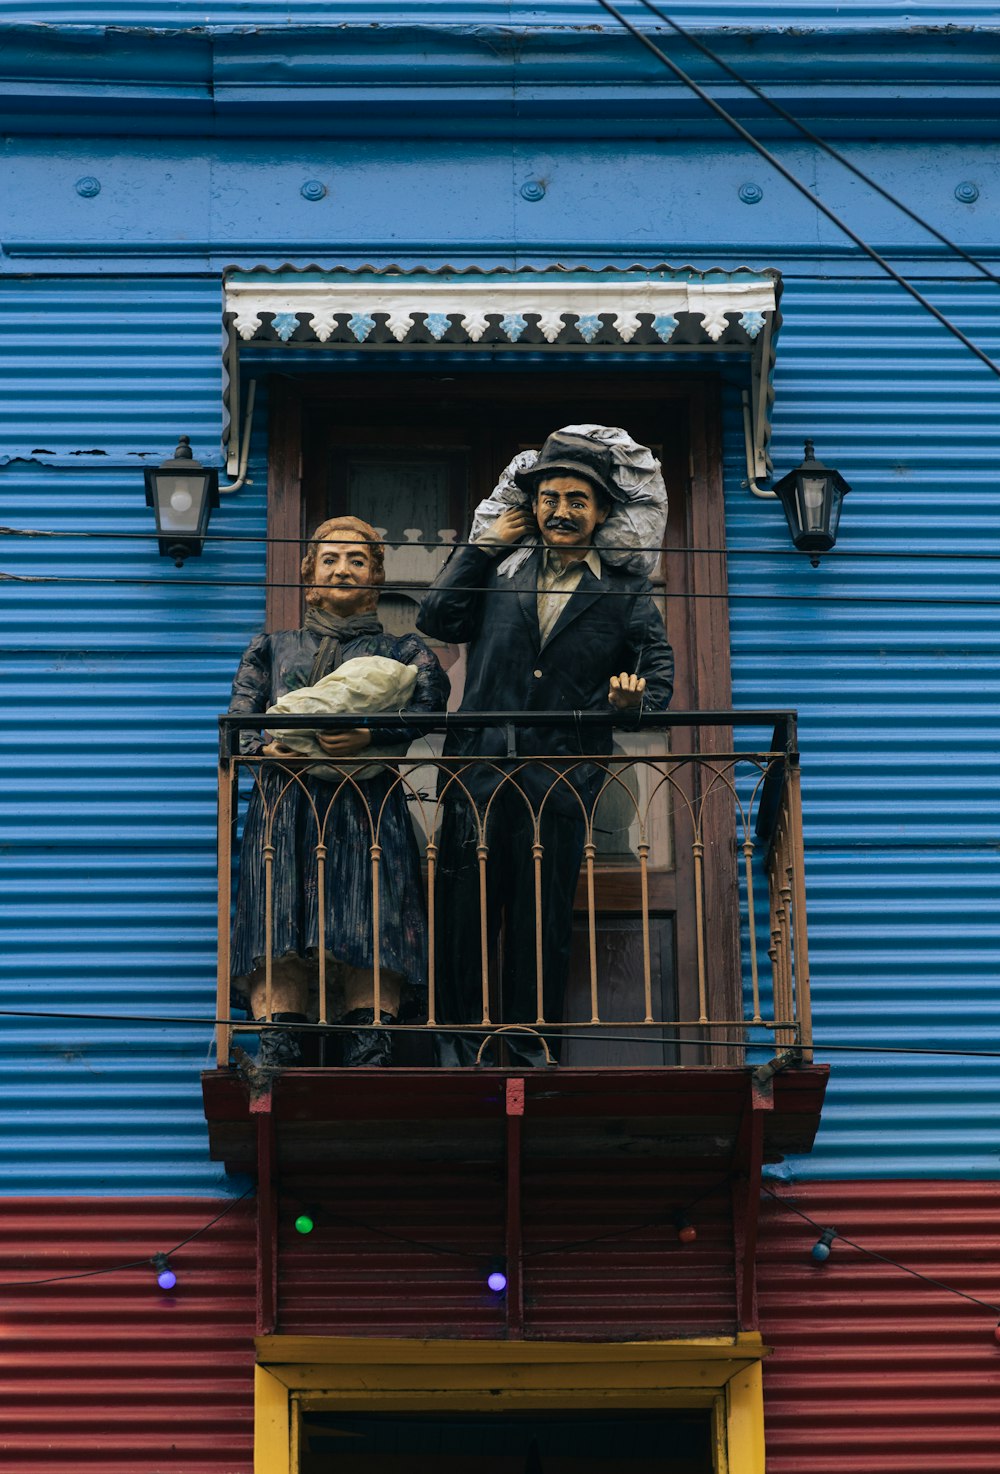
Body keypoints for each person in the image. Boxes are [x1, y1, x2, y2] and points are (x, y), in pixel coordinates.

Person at [417, 428, 674, 1066]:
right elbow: (437, 619)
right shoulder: (500, 570)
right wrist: (479, 550)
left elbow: (658, 676)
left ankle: (530, 1046)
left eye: (577, 501)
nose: (561, 510)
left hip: (560, 779)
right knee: (463, 913)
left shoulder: (624, 591)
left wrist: (628, 701)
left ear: (603, 513)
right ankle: (459, 1047)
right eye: (549, 498)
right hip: (478, 769)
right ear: (532, 507)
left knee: (543, 917)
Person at [229, 516, 450, 1068]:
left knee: (368, 911)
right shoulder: (273, 648)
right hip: (286, 807)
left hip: (366, 803)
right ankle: (279, 1038)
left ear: (375, 576)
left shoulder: (403, 649)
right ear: (309, 575)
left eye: (357, 560)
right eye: (330, 559)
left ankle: (368, 1039)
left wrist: (370, 733)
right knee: (279, 911)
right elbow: (238, 723)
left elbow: (429, 707)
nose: (343, 569)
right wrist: (261, 750)